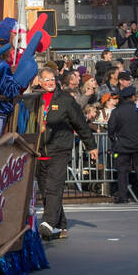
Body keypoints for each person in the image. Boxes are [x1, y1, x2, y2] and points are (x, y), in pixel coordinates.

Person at [34, 64, 99, 239]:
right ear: (39, 81)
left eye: (52, 79)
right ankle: (60, 226)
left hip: (59, 150)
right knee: (45, 190)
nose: (50, 82)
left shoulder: (65, 99)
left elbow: (80, 123)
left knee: (54, 188)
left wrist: (91, 145)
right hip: (39, 151)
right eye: (46, 80)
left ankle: (47, 222)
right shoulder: (33, 98)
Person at [106, 84, 138, 205]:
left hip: (122, 145)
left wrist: (115, 141)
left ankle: (123, 196)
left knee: (122, 172)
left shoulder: (116, 112)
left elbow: (111, 129)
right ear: (133, 97)